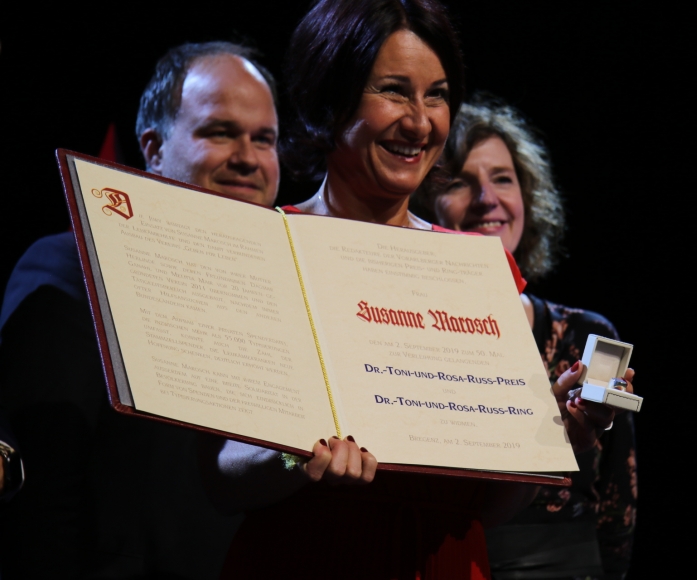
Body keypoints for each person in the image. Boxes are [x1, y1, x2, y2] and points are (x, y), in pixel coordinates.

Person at [200, 2, 623, 579]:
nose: (421, 123)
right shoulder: (271, 246)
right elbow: (223, 478)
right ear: (332, 97)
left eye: (438, 95)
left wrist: (553, 437)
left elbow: (490, 509)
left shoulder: (475, 271)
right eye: (395, 92)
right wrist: (297, 457)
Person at [0, 41, 280, 579]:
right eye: (219, 132)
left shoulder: (287, 292)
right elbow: (46, 487)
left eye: (263, 139)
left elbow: (283, 458)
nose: (247, 157)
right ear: (152, 149)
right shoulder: (73, 267)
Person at [415, 96, 638, 580]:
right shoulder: (407, 333)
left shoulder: (588, 335)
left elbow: (617, 503)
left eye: (502, 178)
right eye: (459, 182)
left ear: (527, 197)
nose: (486, 198)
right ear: (423, 204)